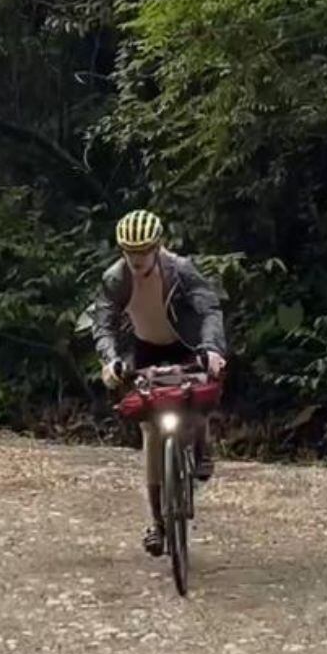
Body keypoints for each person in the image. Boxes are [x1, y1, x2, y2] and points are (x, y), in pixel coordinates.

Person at [89, 209, 229, 558]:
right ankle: (157, 523)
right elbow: (103, 323)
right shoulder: (116, 278)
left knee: (196, 399)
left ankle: (201, 443)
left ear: (157, 247)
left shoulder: (180, 269)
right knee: (152, 431)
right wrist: (111, 361)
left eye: (143, 251)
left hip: (184, 343)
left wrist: (212, 350)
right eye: (129, 252)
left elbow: (209, 309)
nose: (136, 259)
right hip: (145, 349)